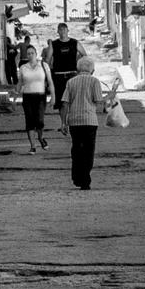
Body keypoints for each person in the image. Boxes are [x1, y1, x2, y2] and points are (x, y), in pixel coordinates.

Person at [57, 57, 115, 190]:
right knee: (88, 151)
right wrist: (110, 96)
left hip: (74, 121)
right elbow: (99, 101)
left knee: (76, 149)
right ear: (92, 70)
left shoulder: (71, 82)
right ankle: (85, 179)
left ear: (78, 69)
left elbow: (65, 103)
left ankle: (77, 177)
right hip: (90, 121)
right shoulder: (94, 81)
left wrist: (63, 123)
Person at [13, 45, 51, 153]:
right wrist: (15, 98)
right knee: (29, 121)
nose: (30, 55)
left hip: (40, 96)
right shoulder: (23, 68)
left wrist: (53, 96)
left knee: (39, 120)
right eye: (28, 53)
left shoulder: (43, 66)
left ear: (36, 54)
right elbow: (19, 83)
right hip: (28, 97)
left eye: (32, 53)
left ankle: (40, 137)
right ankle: (33, 146)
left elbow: (50, 82)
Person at [46, 23, 80, 108]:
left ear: (68, 30)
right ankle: (63, 121)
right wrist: (47, 74)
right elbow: (47, 60)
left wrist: (80, 69)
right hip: (58, 75)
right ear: (58, 31)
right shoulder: (53, 44)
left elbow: (85, 56)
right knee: (61, 102)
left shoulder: (75, 42)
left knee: (74, 101)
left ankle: (72, 120)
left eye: (64, 29)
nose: (63, 31)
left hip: (72, 74)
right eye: (60, 30)